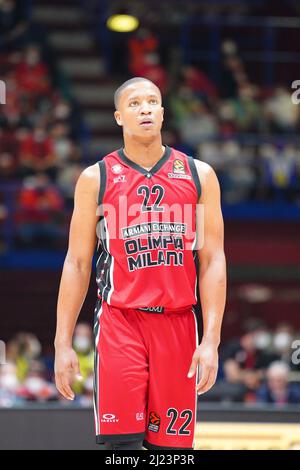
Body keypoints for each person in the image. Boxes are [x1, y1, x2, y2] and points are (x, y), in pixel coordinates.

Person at [54, 77, 226, 450]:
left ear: (163, 113)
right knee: (123, 450)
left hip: (179, 323)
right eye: (134, 103)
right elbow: (77, 262)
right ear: (118, 117)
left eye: (152, 101)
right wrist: (62, 343)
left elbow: (213, 260)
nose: (145, 108)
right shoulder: (95, 178)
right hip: (121, 322)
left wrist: (211, 339)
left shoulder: (200, 175)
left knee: (171, 453)